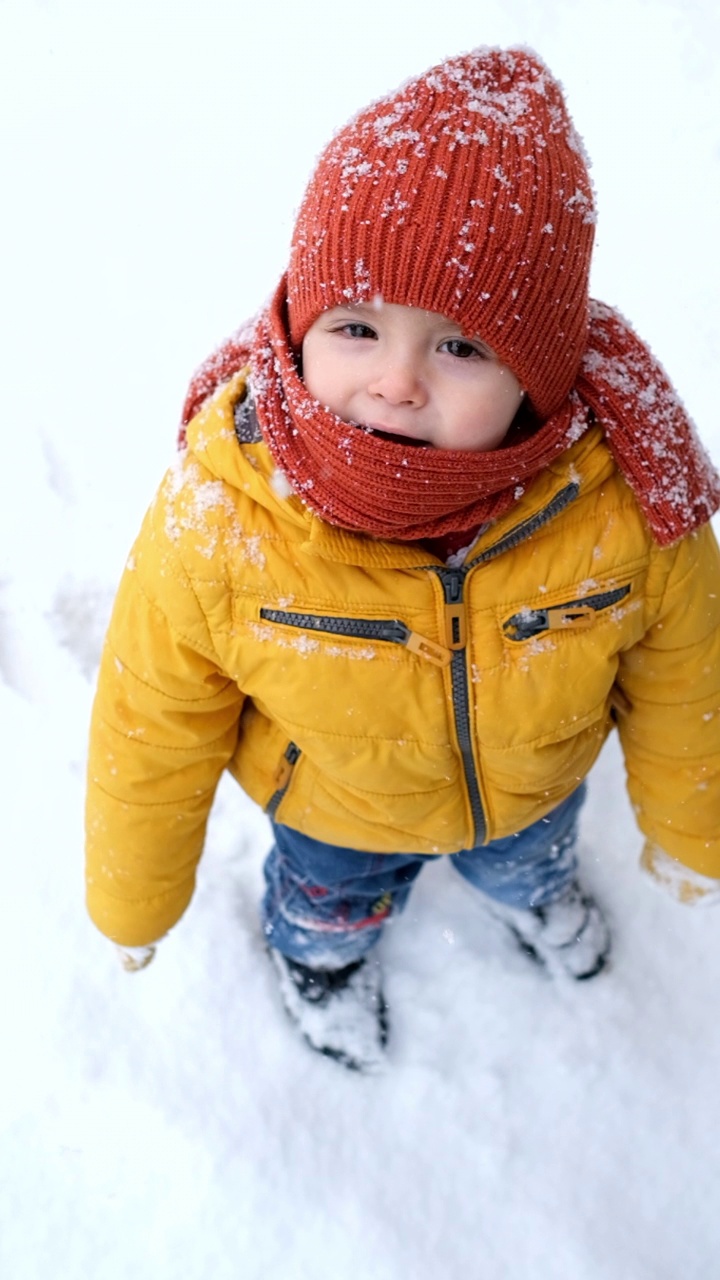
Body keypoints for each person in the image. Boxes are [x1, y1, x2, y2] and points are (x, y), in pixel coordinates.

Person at [86, 47, 720, 1072]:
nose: (394, 382)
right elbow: (148, 718)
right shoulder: (227, 513)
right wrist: (133, 891)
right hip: (334, 812)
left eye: (461, 347)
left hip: (529, 795)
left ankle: (532, 894)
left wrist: (698, 826)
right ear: (296, 326)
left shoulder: (624, 505)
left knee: (529, 863)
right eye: (356, 326)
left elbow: (693, 675)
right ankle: (323, 963)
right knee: (329, 906)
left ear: (544, 373)